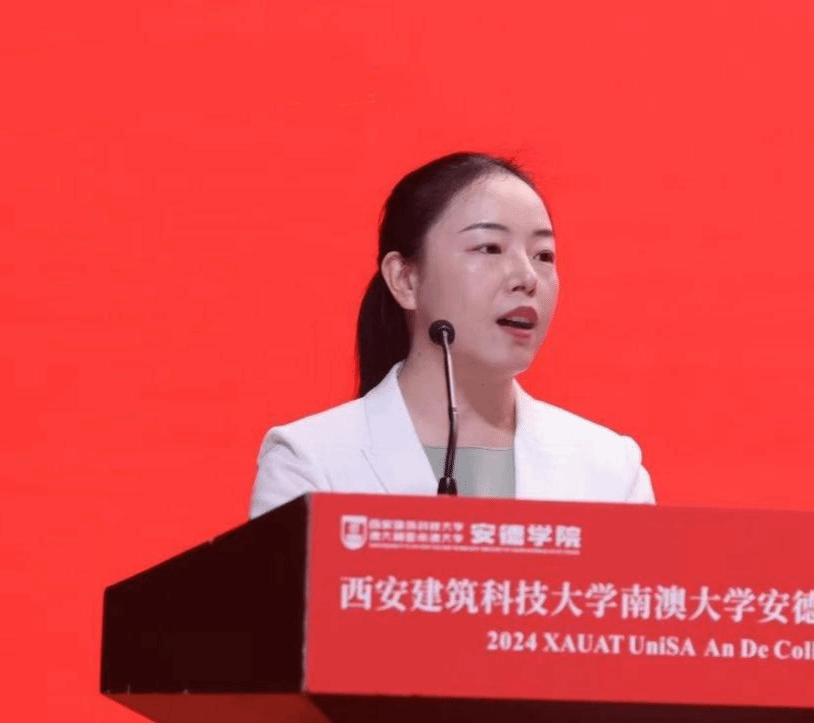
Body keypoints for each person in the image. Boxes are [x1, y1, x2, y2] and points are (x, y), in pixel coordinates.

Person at [248, 152, 655, 518]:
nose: (527, 277)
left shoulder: (610, 470)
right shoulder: (310, 462)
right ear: (405, 279)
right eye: (490, 248)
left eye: (543, 255)